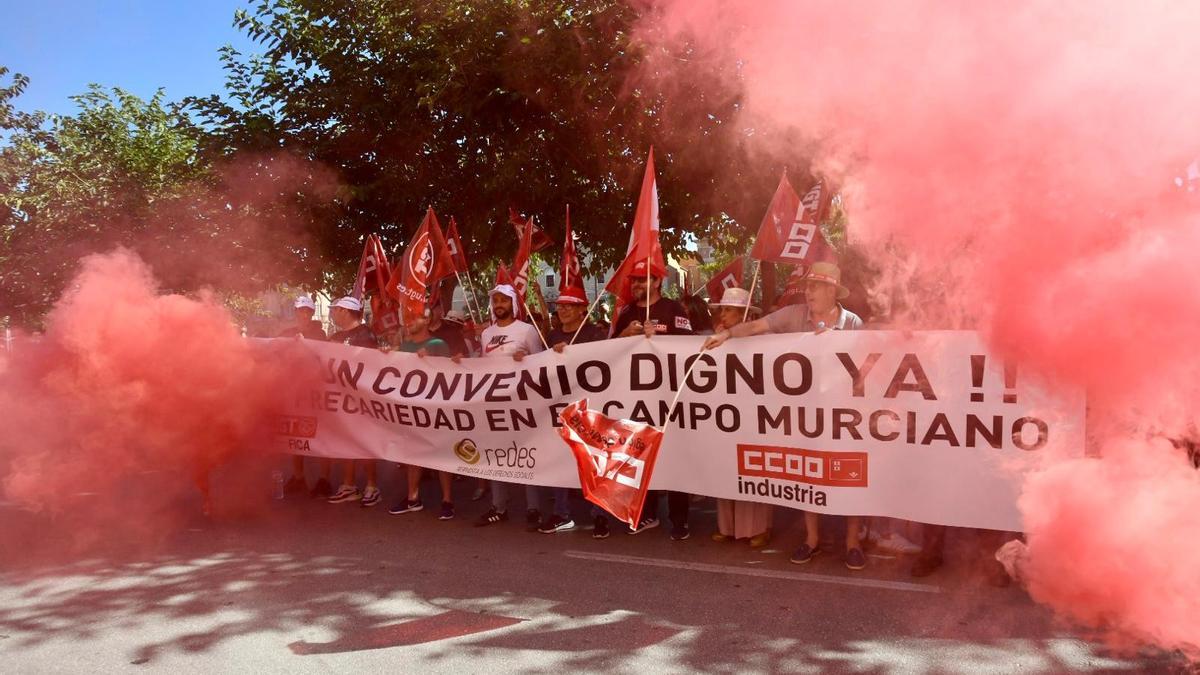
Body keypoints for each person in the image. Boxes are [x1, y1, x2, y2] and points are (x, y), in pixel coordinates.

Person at [704, 262, 869, 570]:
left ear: (832, 290)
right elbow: (755, 327)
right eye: (807, 287)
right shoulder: (793, 315)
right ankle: (811, 540)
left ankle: (852, 542)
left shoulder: (853, 322)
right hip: (804, 414)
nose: (808, 292)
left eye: (815, 287)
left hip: (843, 415)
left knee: (850, 475)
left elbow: (870, 363)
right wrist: (726, 335)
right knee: (808, 472)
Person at [609, 259, 695, 541]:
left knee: (674, 458)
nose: (636, 285)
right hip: (637, 398)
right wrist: (625, 335)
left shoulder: (673, 309)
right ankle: (647, 512)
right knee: (641, 454)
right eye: (634, 280)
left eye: (643, 280)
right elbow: (610, 351)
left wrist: (659, 337)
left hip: (669, 398)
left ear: (657, 282)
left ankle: (680, 519)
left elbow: (689, 346)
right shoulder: (626, 312)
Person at [473, 285, 546, 528]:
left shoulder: (527, 331)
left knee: (526, 454)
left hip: (522, 404)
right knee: (496, 455)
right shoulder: (486, 334)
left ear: (513, 303)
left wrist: (526, 361)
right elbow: (481, 366)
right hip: (494, 404)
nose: (499, 305)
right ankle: (499, 506)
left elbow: (541, 364)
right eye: (496, 301)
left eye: (504, 300)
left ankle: (533, 508)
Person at [707, 287, 774, 548]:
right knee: (726, 467)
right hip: (725, 415)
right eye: (722, 309)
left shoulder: (766, 338)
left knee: (753, 468)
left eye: (729, 310)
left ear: (744, 314)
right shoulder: (713, 338)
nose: (723, 314)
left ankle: (758, 527)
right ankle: (728, 527)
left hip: (754, 414)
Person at [387, 311, 456, 520]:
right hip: (412, 408)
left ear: (426, 320)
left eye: (413, 318)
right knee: (412, 453)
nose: (407, 322)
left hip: (435, 408)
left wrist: (431, 360)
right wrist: (385, 354)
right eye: (406, 318)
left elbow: (451, 374)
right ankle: (412, 498)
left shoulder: (438, 344)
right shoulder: (405, 346)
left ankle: (447, 501)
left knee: (440, 454)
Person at [325, 296, 383, 507]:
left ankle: (372, 486)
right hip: (341, 398)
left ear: (345, 312)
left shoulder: (365, 334)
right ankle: (348, 485)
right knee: (345, 441)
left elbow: (369, 364)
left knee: (364, 442)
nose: (333, 313)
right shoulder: (337, 335)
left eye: (336, 310)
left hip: (361, 398)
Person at [276, 295, 334, 498]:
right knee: (296, 436)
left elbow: (325, 357)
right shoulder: (286, 333)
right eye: (301, 310)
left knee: (320, 435)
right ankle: (298, 477)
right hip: (294, 391)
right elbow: (276, 353)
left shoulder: (320, 333)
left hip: (315, 392)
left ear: (311, 312)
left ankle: (324, 479)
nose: (304, 314)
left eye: (308, 310)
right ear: (296, 312)